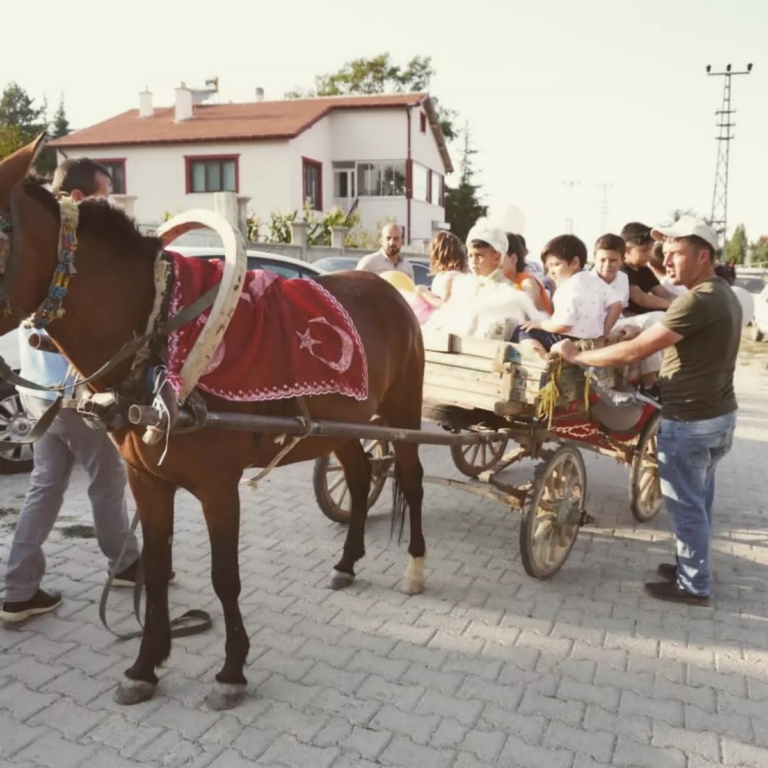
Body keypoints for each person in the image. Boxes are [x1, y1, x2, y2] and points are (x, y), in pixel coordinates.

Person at [551, 216, 741, 605]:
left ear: (703, 255)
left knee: (686, 505)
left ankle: (693, 585)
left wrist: (580, 357)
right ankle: (693, 565)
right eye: (664, 253)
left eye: (675, 254)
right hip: (717, 416)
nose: (666, 262)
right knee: (699, 499)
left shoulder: (699, 298)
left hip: (691, 421)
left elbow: (639, 352)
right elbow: (664, 334)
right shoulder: (720, 292)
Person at [0, 158, 143, 624]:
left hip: (40, 397)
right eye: (103, 196)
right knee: (108, 482)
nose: (109, 205)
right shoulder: (75, 258)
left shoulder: (40, 250)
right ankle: (126, 565)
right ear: (80, 200)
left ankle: (18, 590)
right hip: (73, 395)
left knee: (45, 487)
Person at [512, 234, 622, 355]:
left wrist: (540, 324)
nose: (551, 272)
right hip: (593, 339)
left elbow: (563, 326)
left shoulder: (567, 288)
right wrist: (605, 331)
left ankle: (542, 361)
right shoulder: (596, 281)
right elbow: (617, 304)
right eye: (549, 267)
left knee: (522, 331)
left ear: (575, 263)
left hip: (570, 340)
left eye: (556, 264)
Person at [592, 234, 664, 395]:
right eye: (602, 260)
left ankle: (656, 380)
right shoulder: (585, 281)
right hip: (595, 326)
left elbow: (622, 309)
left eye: (613, 260)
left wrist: (630, 325)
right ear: (595, 258)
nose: (607, 265)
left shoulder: (623, 278)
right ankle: (650, 383)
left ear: (622, 260)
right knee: (649, 322)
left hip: (618, 321)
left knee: (658, 319)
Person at [621, 222, 678, 315]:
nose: (649, 254)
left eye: (650, 249)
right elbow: (641, 298)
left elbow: (663, 293)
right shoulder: (622, 271)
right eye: (644, 250)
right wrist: (672, 304)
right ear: (627, 249)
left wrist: (684, 302)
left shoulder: (644, 271)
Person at [413, 231, 467, 322]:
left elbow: (444, 305)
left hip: (445, 323)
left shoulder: (452, 276)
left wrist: (424, 292)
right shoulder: (445, 275)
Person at [501, 233, 553, 313]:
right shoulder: (500, 282)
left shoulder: (527, 282)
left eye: (497, 258)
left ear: (513, 259)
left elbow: (537, 316)